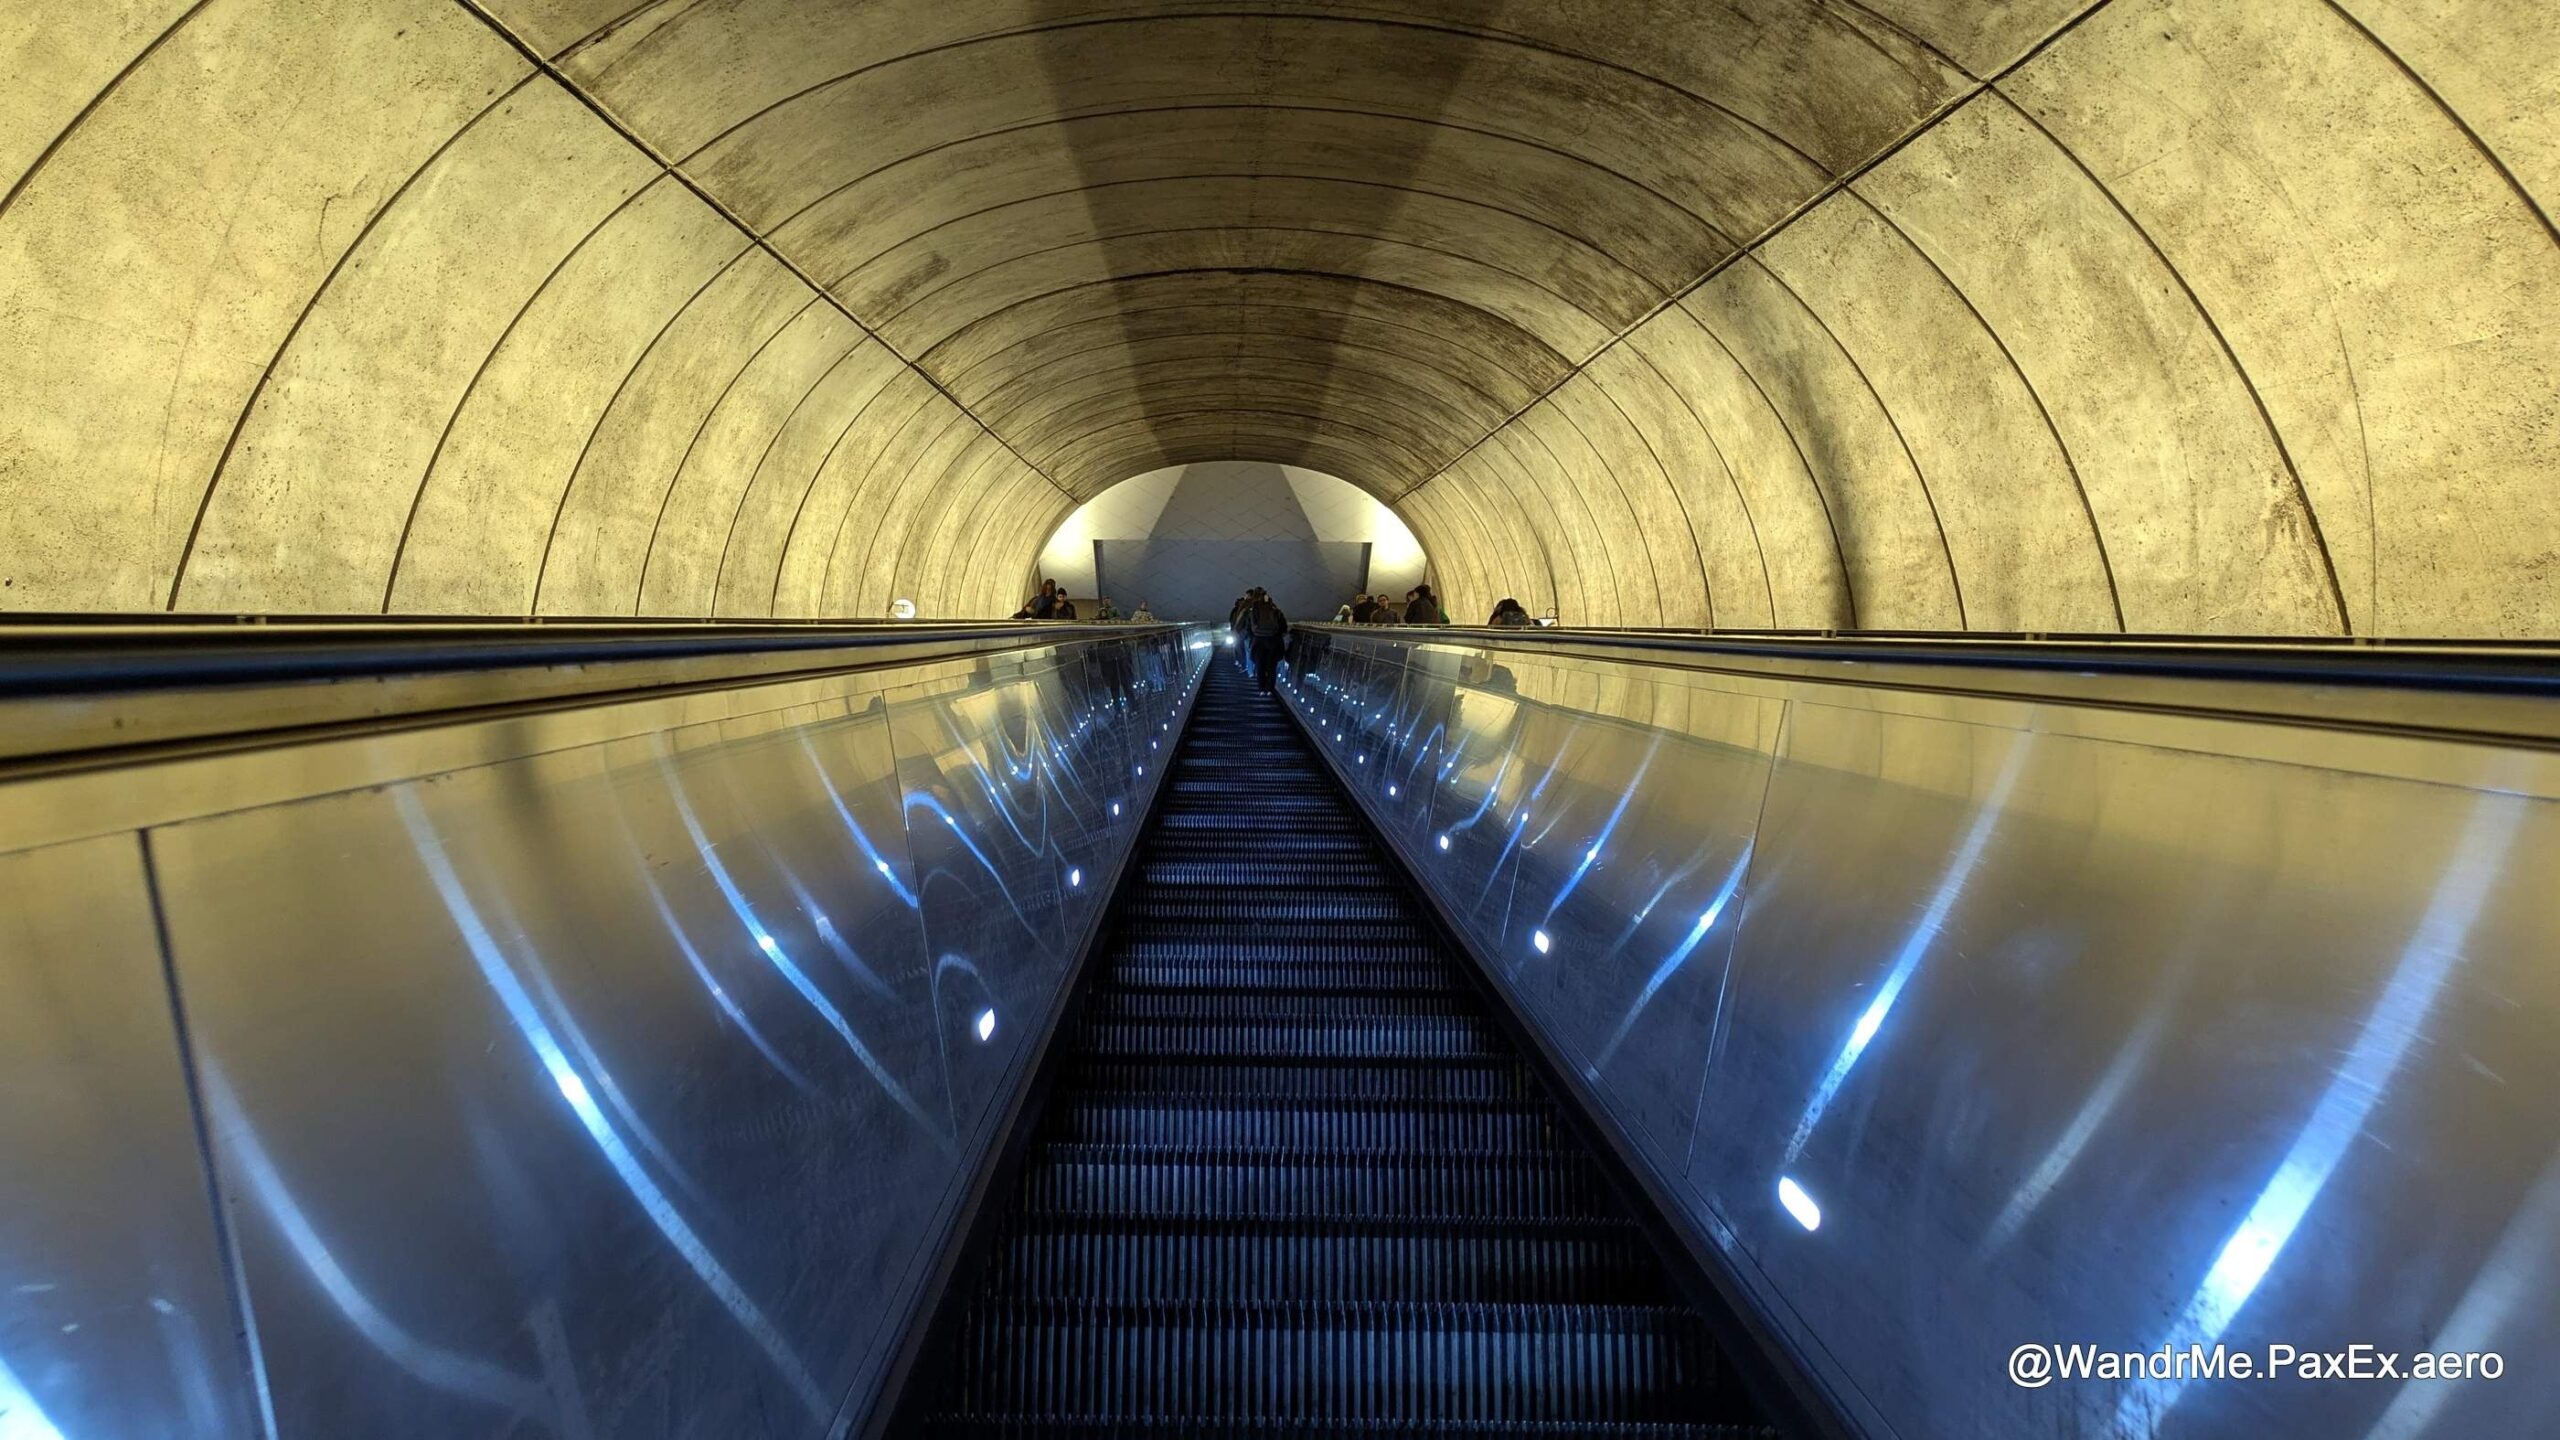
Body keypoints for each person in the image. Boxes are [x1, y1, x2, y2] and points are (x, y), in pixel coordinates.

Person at [1241, 586, 1288, 694]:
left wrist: (1252, 637)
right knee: (1272, 666)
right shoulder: (1274, 608)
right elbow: (1283, 626)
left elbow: (1248, 627)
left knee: (1260, 665)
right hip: (1273, 641)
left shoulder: (1253, 609)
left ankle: (1261, 689)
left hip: (1258, 641)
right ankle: (1269, 689)